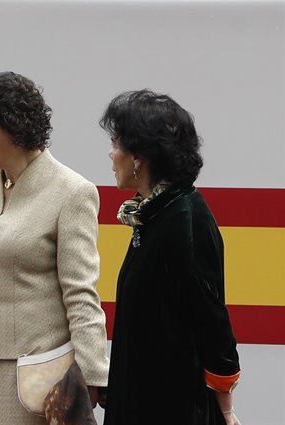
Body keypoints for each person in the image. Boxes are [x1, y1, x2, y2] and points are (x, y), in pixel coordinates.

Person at [0, 71, 110, 424]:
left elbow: (80, 294)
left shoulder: (73, 192)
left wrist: (93, 375)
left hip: (38, 372)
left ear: (16, 132)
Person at [99, 89, 242, 425]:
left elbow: (211, 322)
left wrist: (225, 409)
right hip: (142, 397)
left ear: (139, 156)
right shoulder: (153, 213)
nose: (110, 154)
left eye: (116, 143)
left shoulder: (184, 219)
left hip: (169, 405)